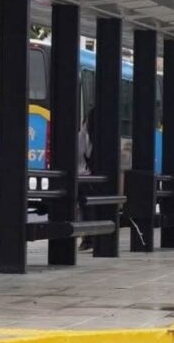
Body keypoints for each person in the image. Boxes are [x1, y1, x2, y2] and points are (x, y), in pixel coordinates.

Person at [77, 105, 96, 251]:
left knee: (86, 209)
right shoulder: (98, 135)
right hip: (91, 176)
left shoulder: (83, 135)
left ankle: (88, 239)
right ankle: (91, 238)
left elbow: (83, 153)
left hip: (83, 176)